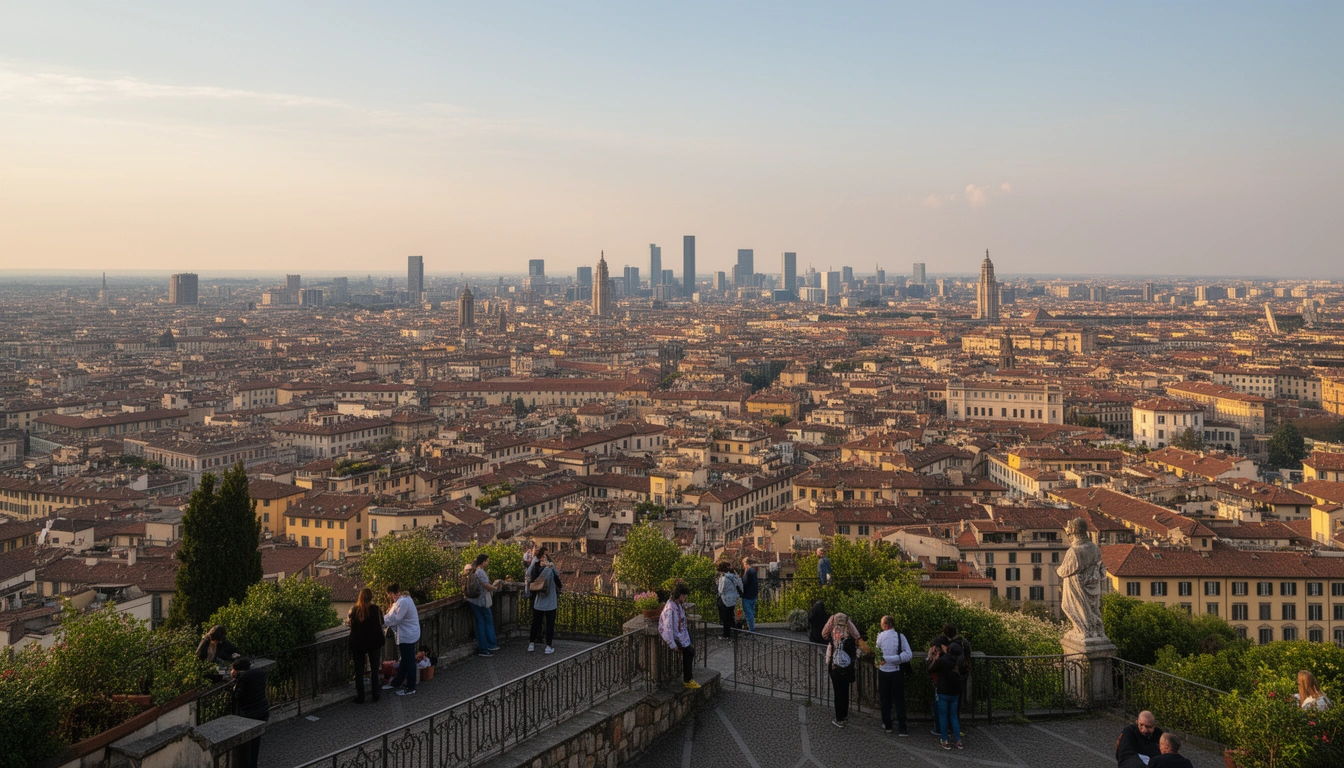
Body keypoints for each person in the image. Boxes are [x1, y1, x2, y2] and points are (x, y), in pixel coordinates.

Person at [875, 615, 913, 735]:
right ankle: (902, 727)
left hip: (884, 671)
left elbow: (877, 654)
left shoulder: (880, 637)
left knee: (885, 699)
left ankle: (887, 724)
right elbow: (908, 654)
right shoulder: (900, 637)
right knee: (899, 699)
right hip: (897, 671)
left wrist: (886, 659)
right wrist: (896, 659)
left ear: (885, 625)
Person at [823, 611, 861, 728]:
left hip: (834, 661)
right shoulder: (848, 621)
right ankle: (844, 715)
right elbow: (857, 636)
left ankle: (839, 718)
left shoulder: (832, 620)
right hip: (847, 662)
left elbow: (824, 634)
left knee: (837, 690)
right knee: (845, 689)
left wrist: (832, 638)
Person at [659, 581, 700, 690]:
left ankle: (688, 678)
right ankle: (687, 680)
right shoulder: (670, 609)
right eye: (685, 596)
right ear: (680, 596)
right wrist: (672, 644)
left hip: (680, 636)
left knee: (690, 652)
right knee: (689, 652)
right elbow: (667, 628)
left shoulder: (677, 605)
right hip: (676, 638)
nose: (685, 598)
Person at [382, 583, 421, 696]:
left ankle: (411, 687)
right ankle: (397, 682)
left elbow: (396, 618)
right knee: (404, 660)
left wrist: (383, 621)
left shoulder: (403, 602)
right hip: (407, 633)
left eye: (390, 595)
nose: (390, 598)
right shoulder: (403, 600)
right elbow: (392, 614)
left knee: (409, 662)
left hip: (408, 635)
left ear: (393, 593)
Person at [347, 588, 384, 704]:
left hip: (358, 643)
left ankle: (361, 696)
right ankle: (375, 694)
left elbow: (350, 623)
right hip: (374, 642)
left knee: (359, 671)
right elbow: (381, 622)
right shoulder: (376, 609)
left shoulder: (354, 610)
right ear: (371, 597)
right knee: (374, 669)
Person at [231, 657, 268, 768]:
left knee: (247, 744)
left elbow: (238, 695)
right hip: (262, 711)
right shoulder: (260, 673)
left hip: (250, 714)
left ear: (238, 670)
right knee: (255, 743)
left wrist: (235, 685)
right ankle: (253, 764)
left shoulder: (243, 678)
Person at [465, 553, 503, 657]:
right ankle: (486, 647)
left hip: (474, 601)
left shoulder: (475, 570)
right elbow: (486, 585)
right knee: (484, 623)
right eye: (487, 560)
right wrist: (495, 588)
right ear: (483, 561)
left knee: (481, 623)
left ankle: (486, 646)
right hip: (481, 602)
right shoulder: (480, 572)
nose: (488, 562)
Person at [929, 636, 964, 750]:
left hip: (943, 691)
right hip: (955, 692)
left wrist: (935, 658)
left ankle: (945, 740)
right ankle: (958, 740)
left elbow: (931, 669)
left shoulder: (942, 660)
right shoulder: (958, 661)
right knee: (953, 716)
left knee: (943, 716)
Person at [529, 548, 561, 654]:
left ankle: (531, 644)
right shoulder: (551, 569)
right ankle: (548, 646)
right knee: (549, 625)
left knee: (536, 623)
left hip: (539, 602)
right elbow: (559, 583)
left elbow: (532, 581)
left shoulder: (536, 568)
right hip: (551, 601)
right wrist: (551, 567)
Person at [715, 560, 744, 639]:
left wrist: (717, 584)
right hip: (734, 599)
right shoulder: (734, 576)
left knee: (725, 618)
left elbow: (720, 590)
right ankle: (734, 632)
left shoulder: (723, 578)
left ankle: (726, 634)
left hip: (725, 599)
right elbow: (740, 586)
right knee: (730, 616)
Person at [740, 558, 759, 632]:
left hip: (747, 594)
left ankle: (751, 628)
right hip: (753, 594)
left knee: (748, 612)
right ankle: (751, 626)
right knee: (751, 611)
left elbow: (745, 582)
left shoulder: (748, 571)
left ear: (745, 563)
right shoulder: (754, 571)